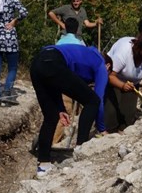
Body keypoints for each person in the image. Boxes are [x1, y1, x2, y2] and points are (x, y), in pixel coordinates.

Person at [30, 44, 109, 178]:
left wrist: (60, 108)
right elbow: (98, 99)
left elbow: (57, 81)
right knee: (92, 101)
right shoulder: (102, 65)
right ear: (109, 66)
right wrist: (102, 129)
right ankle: (80, 149)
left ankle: (43, 165)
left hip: (37, 63)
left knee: (51, 116)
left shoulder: (84, 54)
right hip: (54, 62)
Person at [104, 31, 142, 130]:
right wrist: (122, 86)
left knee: (127, 117)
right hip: (113, 79)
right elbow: (110, 75)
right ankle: (105, 133)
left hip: (132, 83)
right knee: (111, 114)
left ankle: (120, 134)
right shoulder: (124, 51)